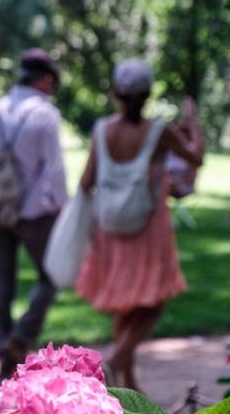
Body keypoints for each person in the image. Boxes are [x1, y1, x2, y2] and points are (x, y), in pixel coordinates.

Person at [76, 59, 204, 390]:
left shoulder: (102, 130)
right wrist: (193, 120)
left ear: (115, 93)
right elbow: (196, 157)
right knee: (153, 302)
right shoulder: (159, 131)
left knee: (125, 305)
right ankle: (117, 360)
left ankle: (128, 386)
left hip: (110, 229)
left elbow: (86, 181)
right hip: (148, 228)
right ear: (147, 94)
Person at [0, 48, 68, 378]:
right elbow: (54, 170)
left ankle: (5, 344)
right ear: (46, 80)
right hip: (35, 213)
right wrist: (61, 209)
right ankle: (21, 337)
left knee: (2, 280)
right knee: (51, 276)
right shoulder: (45, 113)